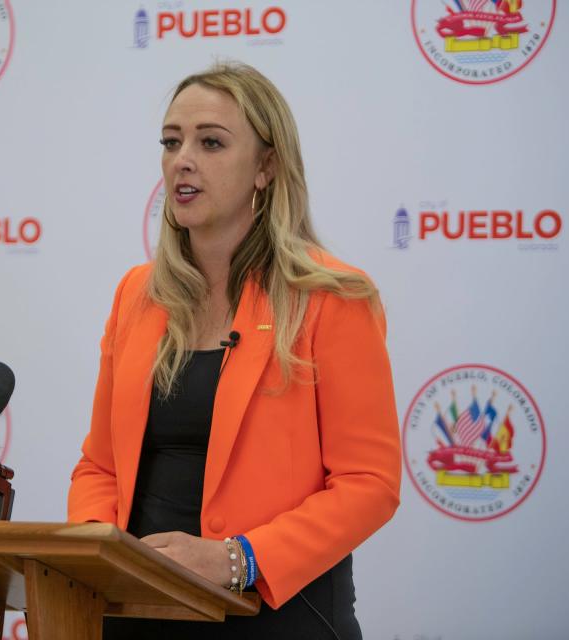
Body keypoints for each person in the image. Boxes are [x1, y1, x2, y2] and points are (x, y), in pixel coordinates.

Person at [67, 62, 401, 639]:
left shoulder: (331, 297)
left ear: (266, 168)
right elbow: (99, 468)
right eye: (171, 142)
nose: (182, 159)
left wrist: (236, 559)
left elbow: (369, 483)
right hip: (136, 612)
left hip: (276, 616)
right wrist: (102, 559)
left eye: (211, 142)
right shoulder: (135, 295)